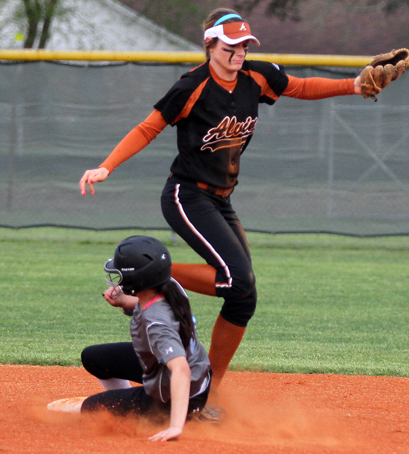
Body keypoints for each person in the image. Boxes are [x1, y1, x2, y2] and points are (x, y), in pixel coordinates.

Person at [78, 7, 378, 399]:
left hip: (221, 199)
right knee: (237, 279)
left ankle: (209, 390)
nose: (240, 52)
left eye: (245, 45)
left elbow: (301, 87)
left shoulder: (257, 76)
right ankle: (148, 275)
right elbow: (148, 127)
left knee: (243, 296)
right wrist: (106, 166)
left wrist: (355, 85)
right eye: (232, 45)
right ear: (211, 45)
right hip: (186, 194)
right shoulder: (192, 87)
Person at [75, 235, 213, 442]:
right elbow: (146, 304)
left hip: (177, 395)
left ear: (137, 279)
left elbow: (181, 370)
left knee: (92, 409)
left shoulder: (156, 322)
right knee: (93, 357)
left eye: (121, 273)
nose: (118, 277)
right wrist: (122, 301)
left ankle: (165, 413)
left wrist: (176, 426)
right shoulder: (170, 286)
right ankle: (137, 402)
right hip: (191, 374)